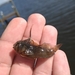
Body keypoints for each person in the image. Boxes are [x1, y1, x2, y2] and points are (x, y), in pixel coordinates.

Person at [0, 13, 70, 75]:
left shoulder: (24, 49)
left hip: (37, 50)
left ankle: (52, 50)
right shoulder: (24, 48)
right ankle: (52, 50)